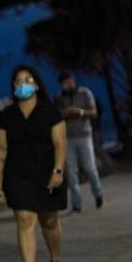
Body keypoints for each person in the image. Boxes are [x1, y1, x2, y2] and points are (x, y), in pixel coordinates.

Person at [0, 66, 68, 262]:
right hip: (18, 174)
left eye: (28, 79)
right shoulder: (5, 116)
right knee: (25, 219)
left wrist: (58, 171)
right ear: (13, 86)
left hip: (47, 172)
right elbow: (1, 150)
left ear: (36, 85)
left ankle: (55, 259)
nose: (23, 84)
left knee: (49, 220)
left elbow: (60, 144)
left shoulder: (50, 111)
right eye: (18, 81)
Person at [54, 72, 103, 212]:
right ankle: (77, 204)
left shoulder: (85, 93)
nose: (68, 84)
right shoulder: (58, 98)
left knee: (90, 168)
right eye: (65, 82)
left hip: (84, 135)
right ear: (61, 84)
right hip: (67, 138)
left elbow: (94, 112)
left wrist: (80, 112)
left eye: (70, 81)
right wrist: (65, 113)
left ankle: (98, 193)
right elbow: (55, 117)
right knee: (71, 172)